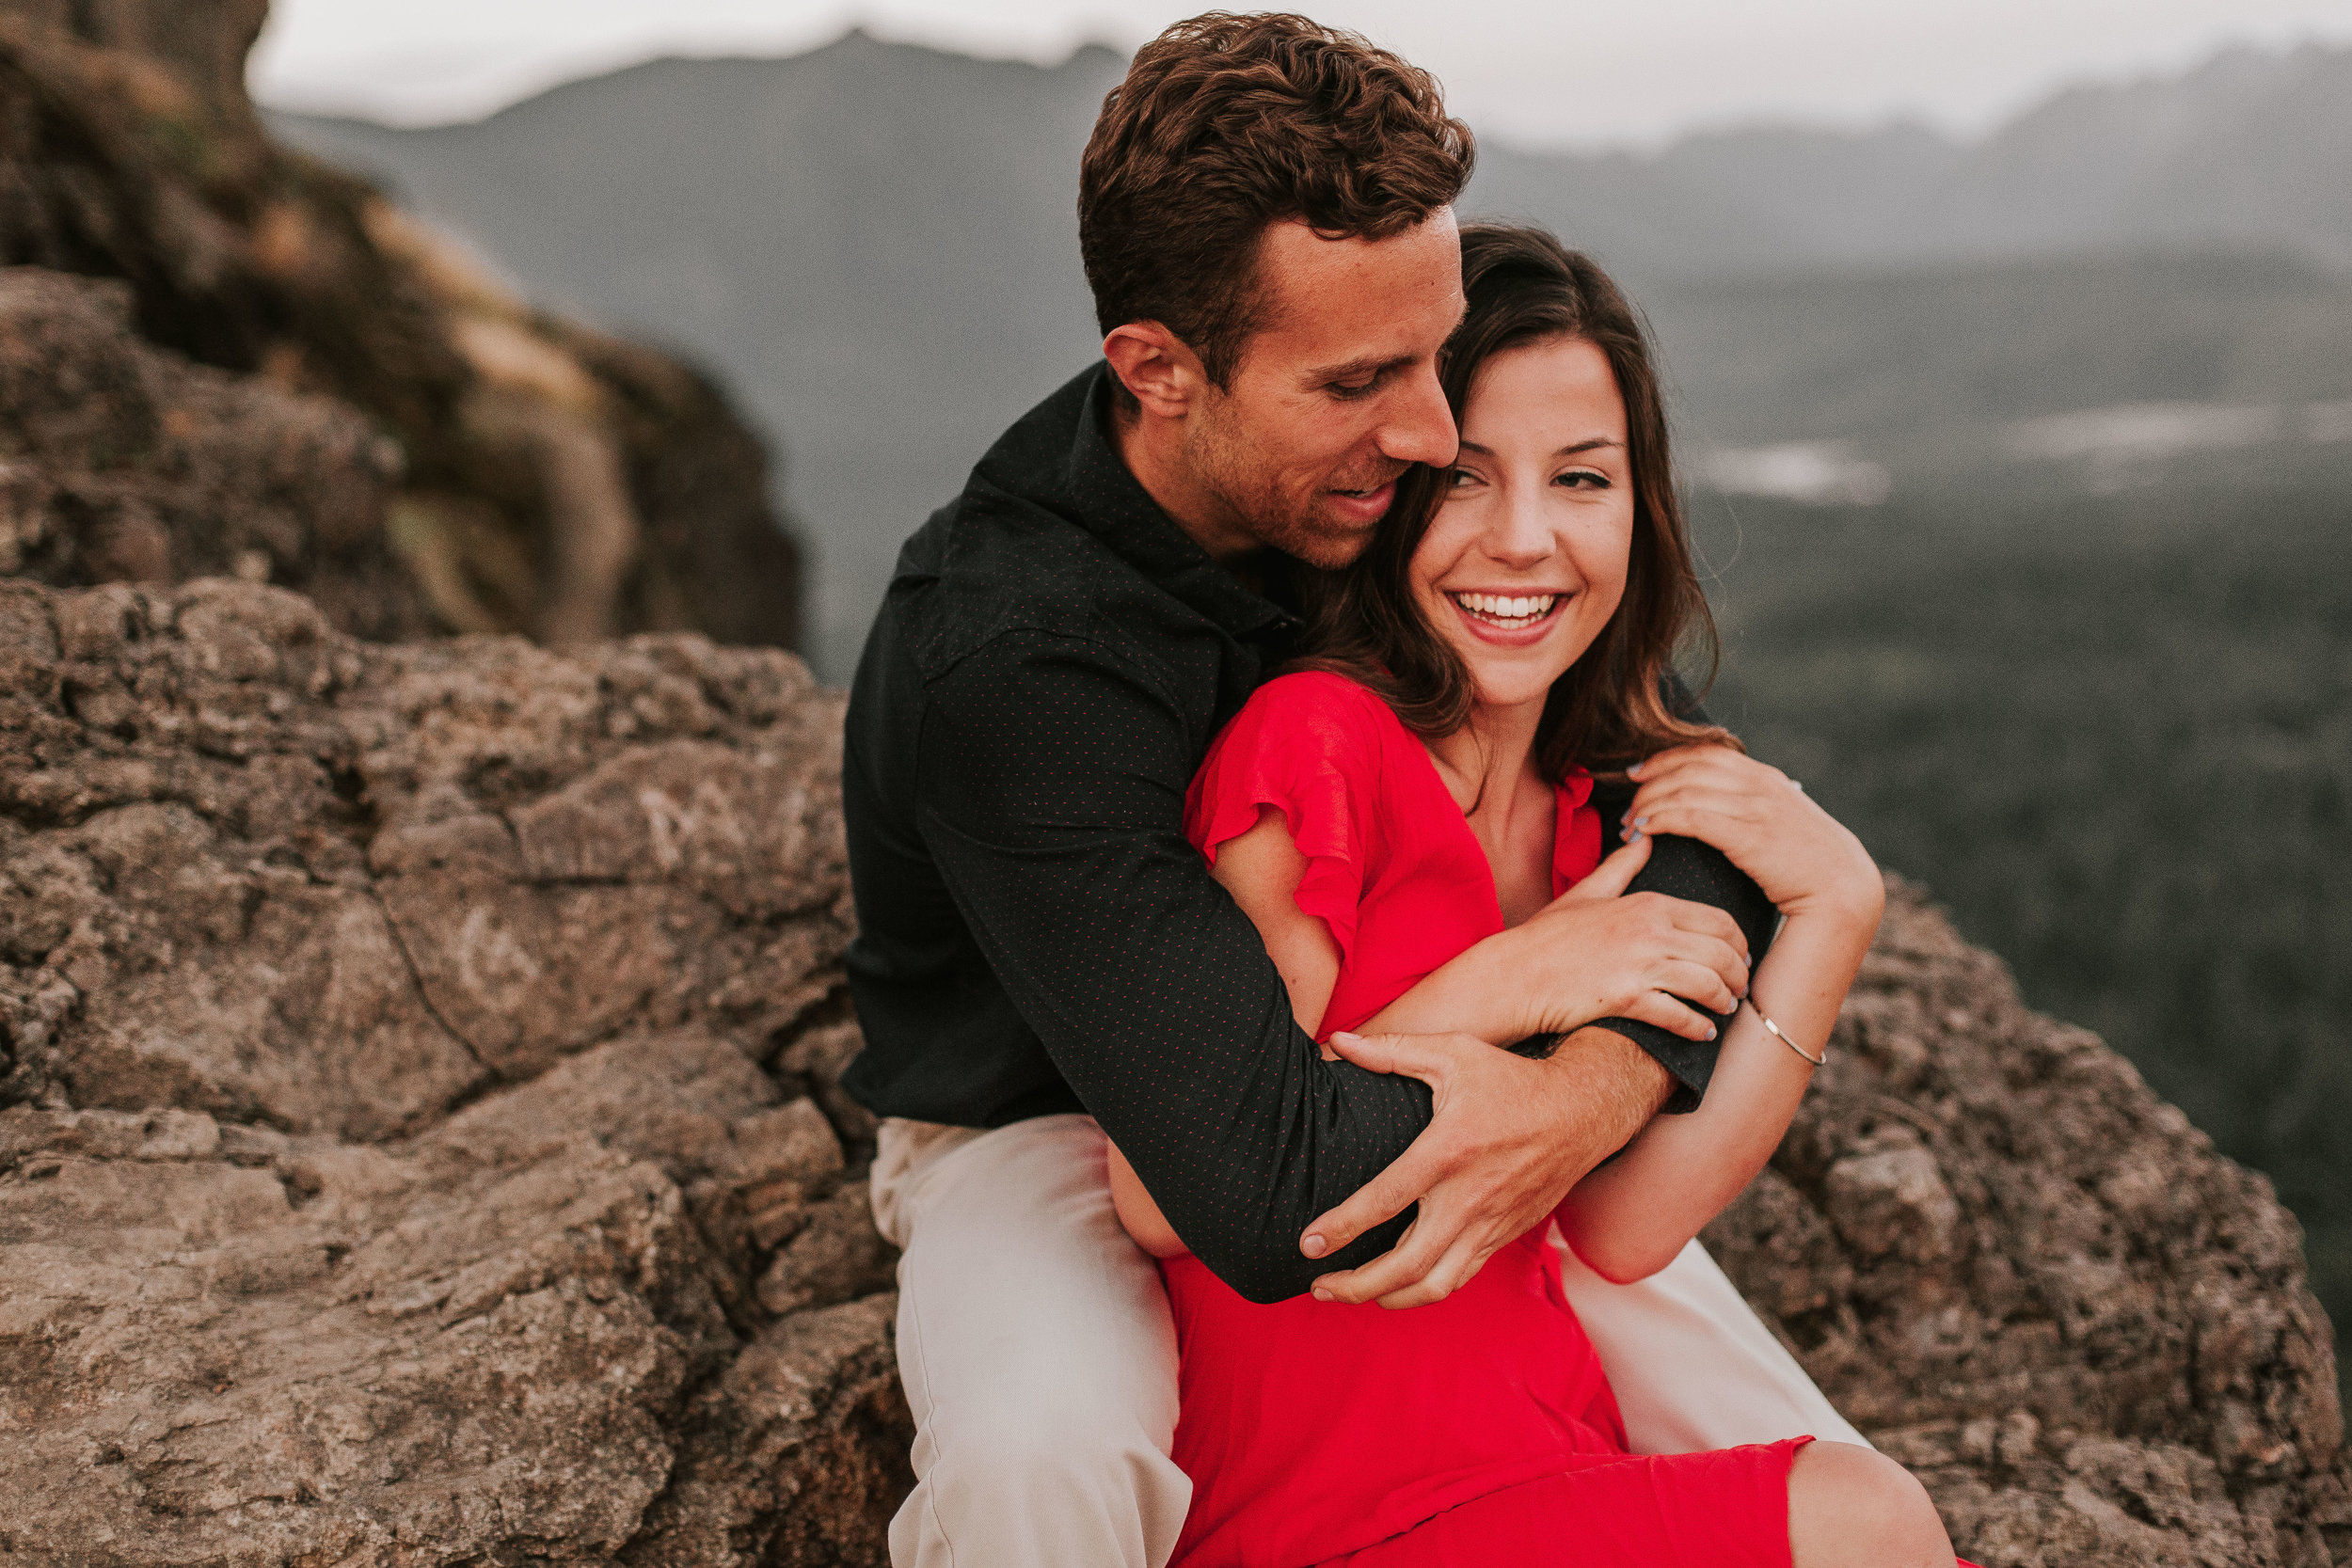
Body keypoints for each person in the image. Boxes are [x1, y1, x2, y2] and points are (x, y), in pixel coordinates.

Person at [843, 15, 1867, 1567]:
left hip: (1402, 1052)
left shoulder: (1372, 479)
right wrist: (1541, 989)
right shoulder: (1013, 656)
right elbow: (1253, 1186)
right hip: (1062, 1112)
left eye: (1436, 352)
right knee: (1037, 1466)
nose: (1433, 431)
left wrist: (1583, 1083)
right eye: (1364, 379)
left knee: (1841, 1496)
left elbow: (1624, 735)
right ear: (1159, 370)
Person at [1107, 222, 1961, 1567]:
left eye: (1581, 479)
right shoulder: (1313, 741)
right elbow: (1176, 1190)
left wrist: (1835, 912)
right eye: (1461, 480)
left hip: (1542, 1465)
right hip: (1328, 1520)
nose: (1524, 540)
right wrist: (1519, 975)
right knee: (1867, 1524)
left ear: (1641, 506)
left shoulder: (1590, 816)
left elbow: (1620, 1228)